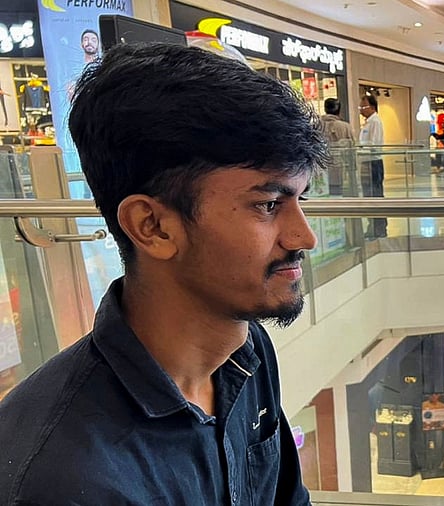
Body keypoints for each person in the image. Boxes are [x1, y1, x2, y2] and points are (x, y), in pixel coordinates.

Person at [0, 43, 327, 505]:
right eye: (268, 204)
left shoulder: (245, 352)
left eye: (302, 200)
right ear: (152, 226)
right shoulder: (66, 478)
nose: (304, 237)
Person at [358, 94, 387, 238]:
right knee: (368, 194)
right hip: (366, 161)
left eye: (364, 107)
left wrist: (361, 149)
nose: (361, 110)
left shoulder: (375, 122)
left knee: (375, 194)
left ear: (372, 107)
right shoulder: (368, 122)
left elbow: (375, 144)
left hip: (373, 162)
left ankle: (379, 227)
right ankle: (373, 225)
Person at [321, 97, 354, 196]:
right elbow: (353, 147)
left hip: (322, 170)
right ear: (339, 110)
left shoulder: (316, 125)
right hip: (341, 170)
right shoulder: (345, 127)